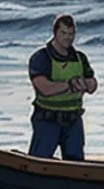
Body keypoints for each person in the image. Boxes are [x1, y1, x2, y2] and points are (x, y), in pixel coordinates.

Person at [28, 14, 98, 160]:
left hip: (73, 120)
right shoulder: (41, 58)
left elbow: (92, 84)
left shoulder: (80, 58)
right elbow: (44, 89)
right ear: (55, 33)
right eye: (64, 33)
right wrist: (70, 85)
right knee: (40, 161)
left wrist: (87, 84)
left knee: (76, 164)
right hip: (48, 119)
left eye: (71, 34)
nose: (68, 38)